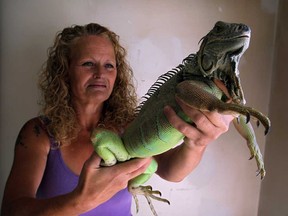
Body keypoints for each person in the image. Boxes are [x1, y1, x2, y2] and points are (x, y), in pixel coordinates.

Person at [1, 23, 233, 215]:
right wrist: (80, 200)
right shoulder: (38, 133)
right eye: (88, 64)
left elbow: (172, 171)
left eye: (109, 65)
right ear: (65, 71)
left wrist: (197, 143)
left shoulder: (129, 125)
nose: (100, 74)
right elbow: (12, 210)